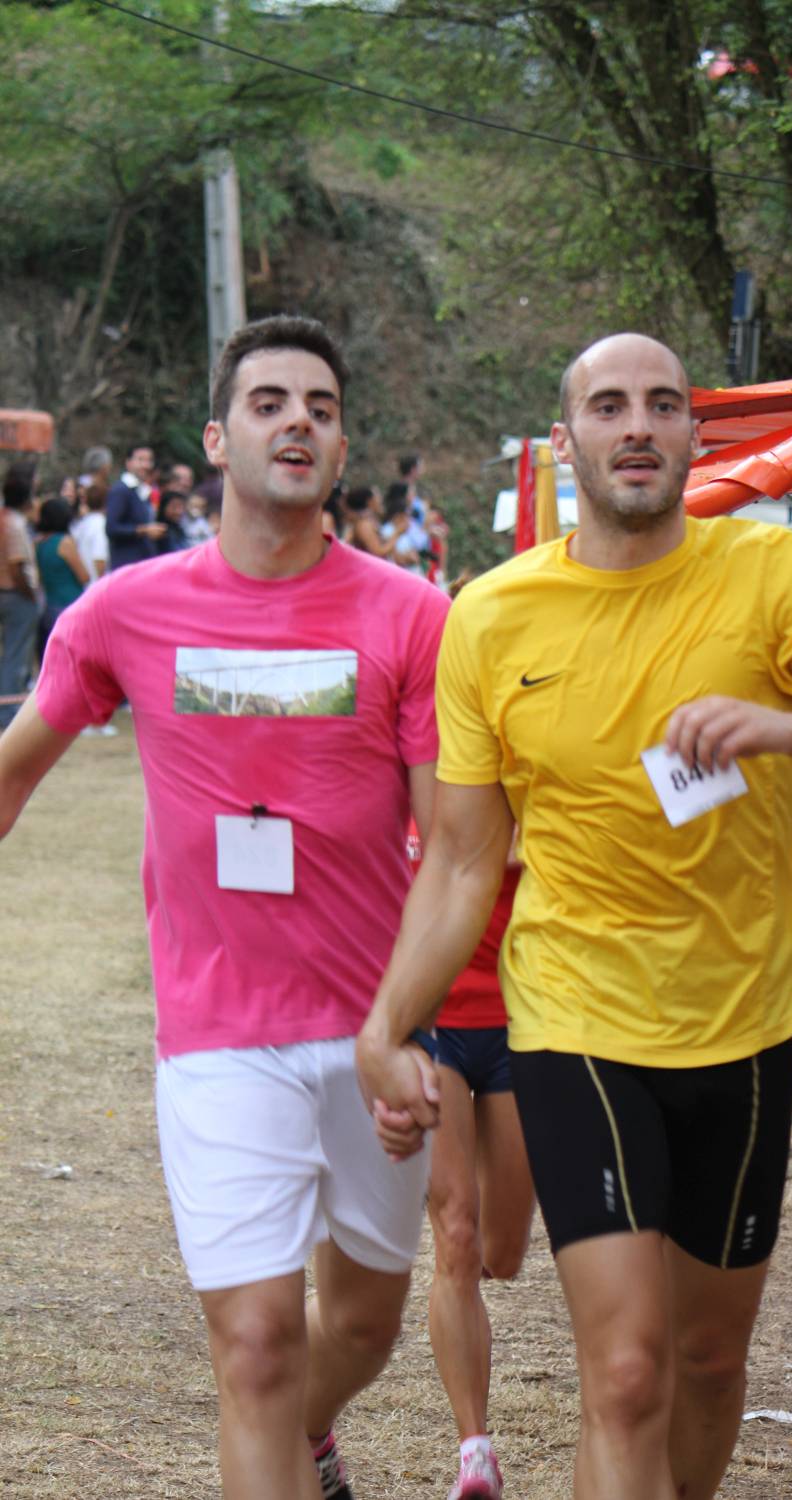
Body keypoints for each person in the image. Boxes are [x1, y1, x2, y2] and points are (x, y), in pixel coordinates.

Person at [355, 332, 792, 1500]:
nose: (636, 424)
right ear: (565, 440)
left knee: (706, 1362)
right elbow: (463, 863)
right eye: (608, 405)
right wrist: (387, 1029)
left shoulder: (776, 578)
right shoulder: (491, 616)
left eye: (663, 404)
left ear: (692, 434)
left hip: (741, 1023)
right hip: (574, 1019)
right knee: (627, 1374)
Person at [0, 314, 450, 1500]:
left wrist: (408, 1025)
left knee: (362, 1326)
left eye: (320, 408)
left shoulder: (411, 615)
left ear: (340, 447)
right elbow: (13, 774)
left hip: (374, 1027)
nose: (297, 420)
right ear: (216, 439)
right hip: (217, 1034)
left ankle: (314, 1435)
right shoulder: (123, 612)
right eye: (268, 402)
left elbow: (452, 845)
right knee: (254, 1348)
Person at [426, 851, 534, 1500]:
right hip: (432, 1022)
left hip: (522, 1021)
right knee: (457, 1238)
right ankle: (475, 1453)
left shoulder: (531, 793)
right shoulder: (414, 797)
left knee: (502, 1252)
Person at [0, 462, 41, 729]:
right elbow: (16, 564)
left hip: (7, 592)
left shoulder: (5, 519)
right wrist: (29, 593)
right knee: (16, 653)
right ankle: (7, 711)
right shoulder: (13, 524)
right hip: (16, 594)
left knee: (11, 651)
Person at [33, 497, 89, 662]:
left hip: (50, 604)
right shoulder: (65, 543)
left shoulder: (38, 543)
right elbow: (84, 576)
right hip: (70, 603)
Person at [105, 442, 166, 568]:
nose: (146, 465)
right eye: (140, 460)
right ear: (128, 463)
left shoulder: (142, 491)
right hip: (127, 565)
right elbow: (111, 528)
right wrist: (144, 530)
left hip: (143, 563)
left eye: (149, 460)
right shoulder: (121, 490)